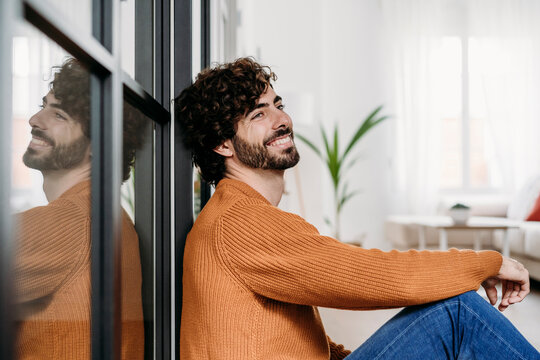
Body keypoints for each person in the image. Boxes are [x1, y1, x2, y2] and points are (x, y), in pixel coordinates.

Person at [175, 57, 540, 359]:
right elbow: (373, 276)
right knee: (457, 312)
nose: (282, 119)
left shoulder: (236, 213)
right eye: (258, 114)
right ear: (223, 144)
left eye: (278, 105)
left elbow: (288, 337)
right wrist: (487, 263)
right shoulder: (241, 221)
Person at [14, 58, 146, 359]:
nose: (35, 119)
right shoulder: (106, 214)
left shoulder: (72, 220)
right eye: (43, 105)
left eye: (58, 115)